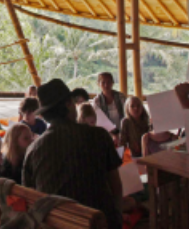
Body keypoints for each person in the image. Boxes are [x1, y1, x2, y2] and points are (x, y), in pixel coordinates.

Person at [23, 79, 123, 229]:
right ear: (69, 104)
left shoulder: (33, 150)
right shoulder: (99, 136)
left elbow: (30, 199)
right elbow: (116, 187)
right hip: (97, 222)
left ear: (44, 115)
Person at [93, 72, 127, 144]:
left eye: (109, 82)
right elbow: (98, 120)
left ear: (112, 83)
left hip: (123, 131)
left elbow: (127, 114)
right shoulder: (97, 101)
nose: (106, 85)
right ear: (98, 84)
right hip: (106, 134)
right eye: (103, 82)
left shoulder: (121, 97)